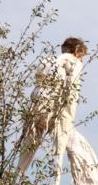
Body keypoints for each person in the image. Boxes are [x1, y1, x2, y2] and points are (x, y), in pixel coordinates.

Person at [18, 37, 88, 175]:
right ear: (77, 52)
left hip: (36, 107)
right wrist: (69, 121)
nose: (82, 60)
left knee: (28, 147)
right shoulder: (74, 63)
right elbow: (71, 94)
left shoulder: (49, 61)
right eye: (82, 56)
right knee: (60, 153)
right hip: (56, 112)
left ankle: (17, 176)